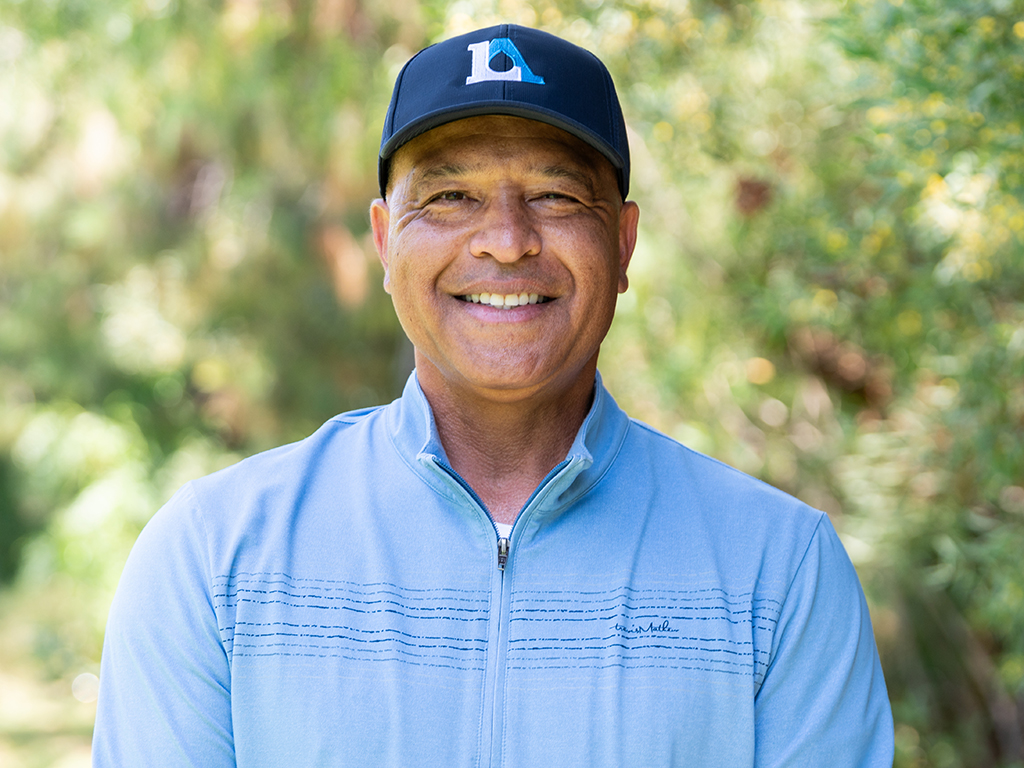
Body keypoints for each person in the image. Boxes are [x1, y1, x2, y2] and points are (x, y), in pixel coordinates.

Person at [93, 24, 894, 767]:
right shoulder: (214, 559)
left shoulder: (777, 573)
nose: (506, 239)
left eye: (555, 196)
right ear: (384, 240)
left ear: (621, 242)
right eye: (450, 198)